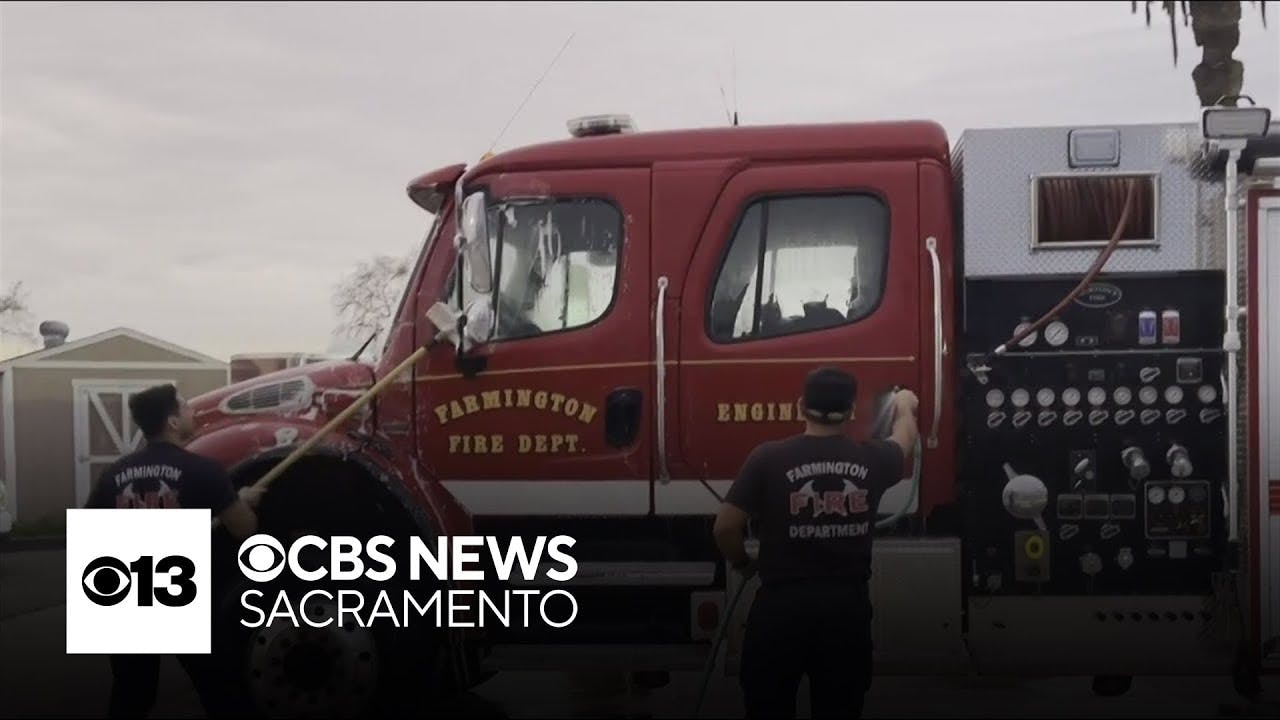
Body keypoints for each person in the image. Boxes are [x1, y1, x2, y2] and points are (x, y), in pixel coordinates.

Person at [713, 367, 919, 720]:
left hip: (780, 611)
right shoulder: (873, 459)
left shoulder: (767, 458)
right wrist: (905, 404)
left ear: (800, 406)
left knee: (768, 707)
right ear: (852, 412)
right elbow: (905, 438)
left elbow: (725, 529)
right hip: (845, 613)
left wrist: (743, 564)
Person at [84, 383, 262, 719]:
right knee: (219, 691)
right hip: (182, 591)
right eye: (184, 407)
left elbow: (91, 533)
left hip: (127, 596)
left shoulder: (113, 474)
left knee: (131, 697)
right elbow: (245, 530)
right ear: (173, 422)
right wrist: (242, 500)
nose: (192, 411)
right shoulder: (205, 471)